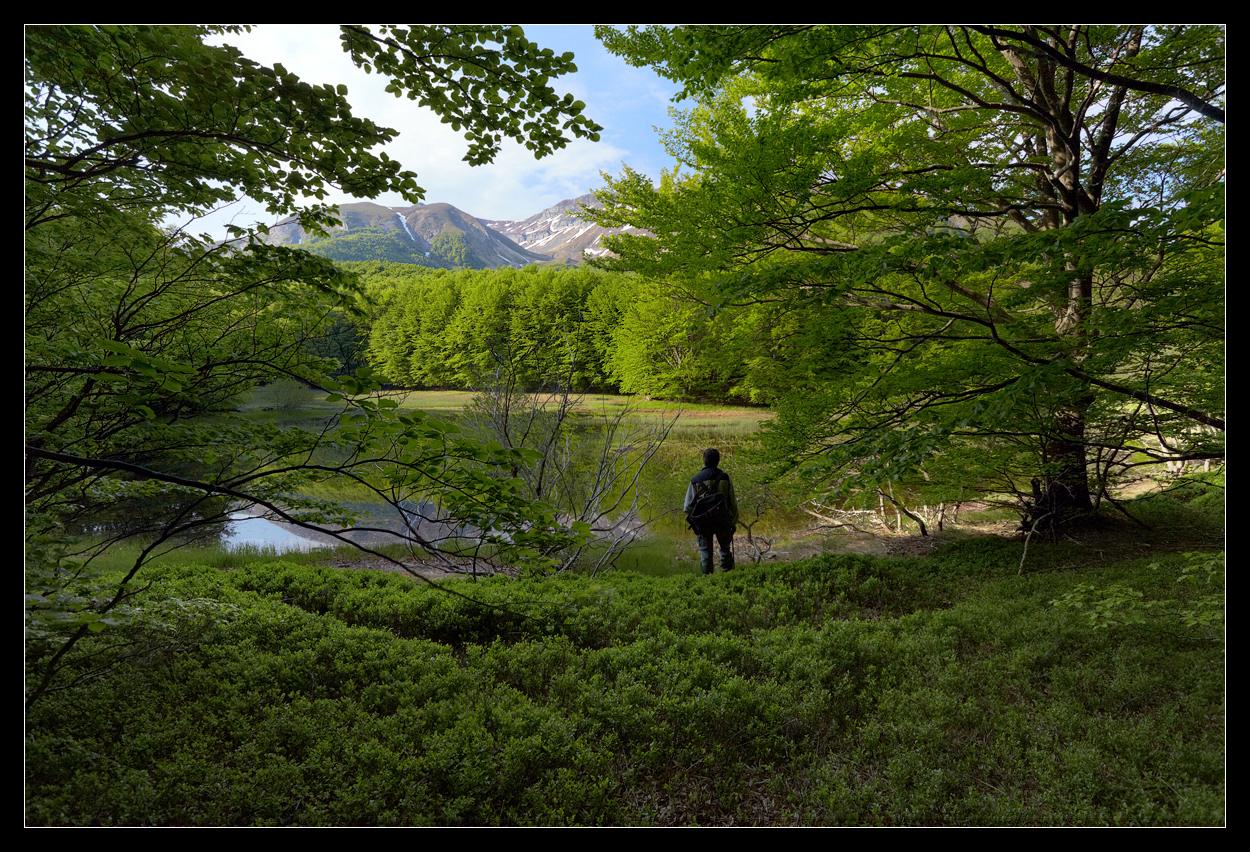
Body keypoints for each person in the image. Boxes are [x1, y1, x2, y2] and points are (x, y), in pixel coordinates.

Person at [683, 447, 739, 574]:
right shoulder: (725, 478)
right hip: (723, 521)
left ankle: (708, 580)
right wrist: (732, 522)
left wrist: (697, 518)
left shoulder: (695, 480)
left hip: (703, 523)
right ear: (718, 461)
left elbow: (687, 507)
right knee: (725, 550)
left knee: (705, 553)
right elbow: (733, 503)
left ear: (704, 460)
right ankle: (727, 577)